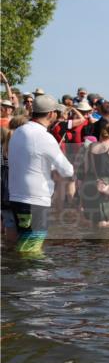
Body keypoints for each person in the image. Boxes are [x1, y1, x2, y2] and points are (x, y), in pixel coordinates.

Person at [6, 95, 75, 253]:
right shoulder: (45, 137)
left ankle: (20, 274)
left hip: (16, 197)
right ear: (51, 114)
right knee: (32, 248)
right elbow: (67, 170)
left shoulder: (18, 132)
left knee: (24, 244)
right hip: (36, 201)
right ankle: (33, 276)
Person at [82, 121, 109, 227]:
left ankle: (90, 243)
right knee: (104, 220)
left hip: (90, 183)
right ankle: (103, 242)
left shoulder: (91, 146)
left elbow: (86, 169)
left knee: (92, 219)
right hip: (105, 185)